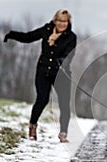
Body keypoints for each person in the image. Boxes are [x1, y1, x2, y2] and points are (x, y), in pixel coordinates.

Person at [4, 9, 77, 142]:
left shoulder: (71, 37)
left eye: (65, 21)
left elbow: (69, 54)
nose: (62, 23)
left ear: (68, 22)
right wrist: (11, 34)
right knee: (42, 99)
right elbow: (28, 37)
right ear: (55, 20)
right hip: (43, 72)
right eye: (60, 20)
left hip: (61, 74)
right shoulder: (46, 30)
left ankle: (63, 133)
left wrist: (61, 62)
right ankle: (32, 126)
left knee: (64, 104)